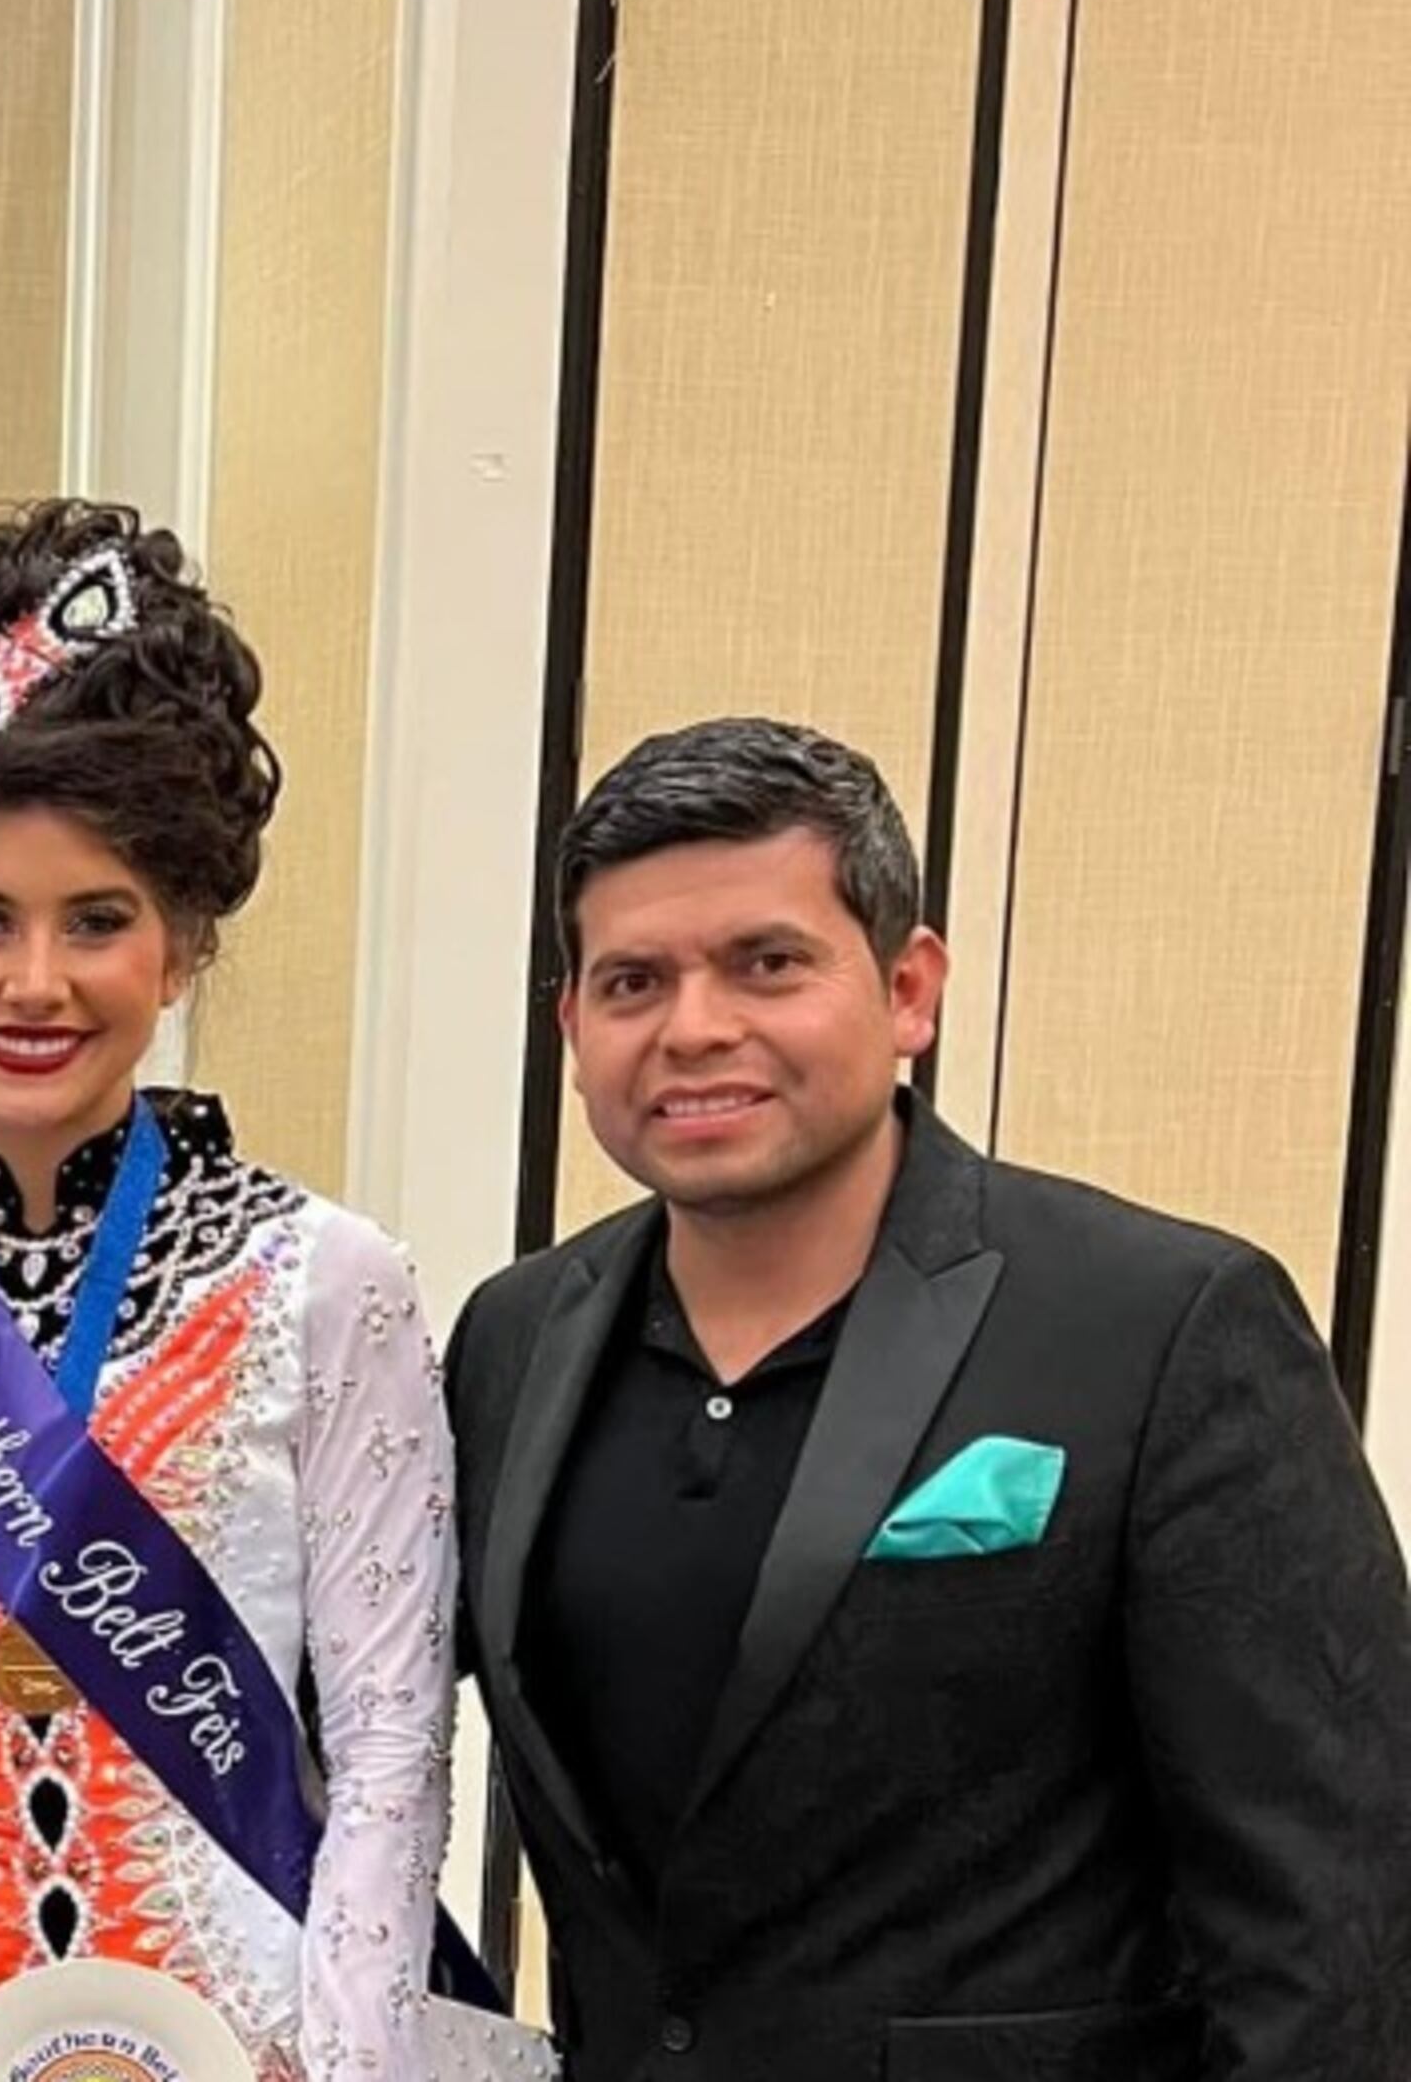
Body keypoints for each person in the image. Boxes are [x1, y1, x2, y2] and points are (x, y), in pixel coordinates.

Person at [445, 715, 1411, 2079]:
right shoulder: (513, 1338)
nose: (695, 1027)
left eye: (767, 964)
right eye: (633, 982)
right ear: (572, 1025)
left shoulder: (1161, 1326)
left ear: (910, 988)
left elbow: (1333, 1923)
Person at [0, 501, 525, 2082]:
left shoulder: (326, 1279)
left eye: (98, 921)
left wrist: (342, 2054)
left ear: (179, 953)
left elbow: (386, 1743)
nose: (36, 982)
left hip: (249, 2035)